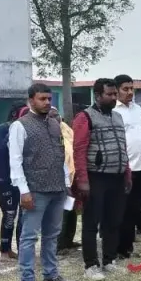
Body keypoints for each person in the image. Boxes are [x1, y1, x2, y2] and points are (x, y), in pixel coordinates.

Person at [9, 83, 76, 281]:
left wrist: (66, 184)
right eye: (42, 99)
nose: (47, 102)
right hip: (35, 190)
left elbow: (61, 155)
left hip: (57, 188)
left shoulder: (55, 124)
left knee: (52, 234)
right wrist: (24, 191)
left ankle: (51, 274)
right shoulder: (20, 126)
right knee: (29, 237)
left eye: (49, 99)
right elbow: (15, 161)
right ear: (31, 100)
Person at [73, 79, 131, 281]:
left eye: (115, 94)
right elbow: (79, 150)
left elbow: (123, 148)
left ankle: (109, 260)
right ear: (98, 96)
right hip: (95, 177)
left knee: (113, 221)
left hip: (117, 176)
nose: (114, 98)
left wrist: (127, 173)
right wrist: (82, 180)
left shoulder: (118, 117)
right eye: (110, 94)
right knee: (91, 222)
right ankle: (91, 265)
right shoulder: (85, 117)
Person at [113, 74, 141, 257]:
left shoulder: (138, 110)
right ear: (117, 90)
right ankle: (118, 248)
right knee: (122, 209)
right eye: (125, 89)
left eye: (131, 88)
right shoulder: (113, 111)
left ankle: (128, 246)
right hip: (125, 168)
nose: (129, 92)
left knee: (135, 208)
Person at [0, 105, 25, 262]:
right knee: (10, 214)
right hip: (5, 178)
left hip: (22, 178)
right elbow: (0, 151)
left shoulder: (27, 128)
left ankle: (22, 248)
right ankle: (5, 250)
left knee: (24, 215)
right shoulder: (3, 128)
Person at [52, 106, 80, 253]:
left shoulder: (66, 130)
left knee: (71, 210)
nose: (55, 118)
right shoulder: (48, 133)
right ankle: (59, 244)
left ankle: (68, 240)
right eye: (51, 116)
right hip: (58, 178)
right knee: (61, 213)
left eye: (56, 115)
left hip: (72, 176)